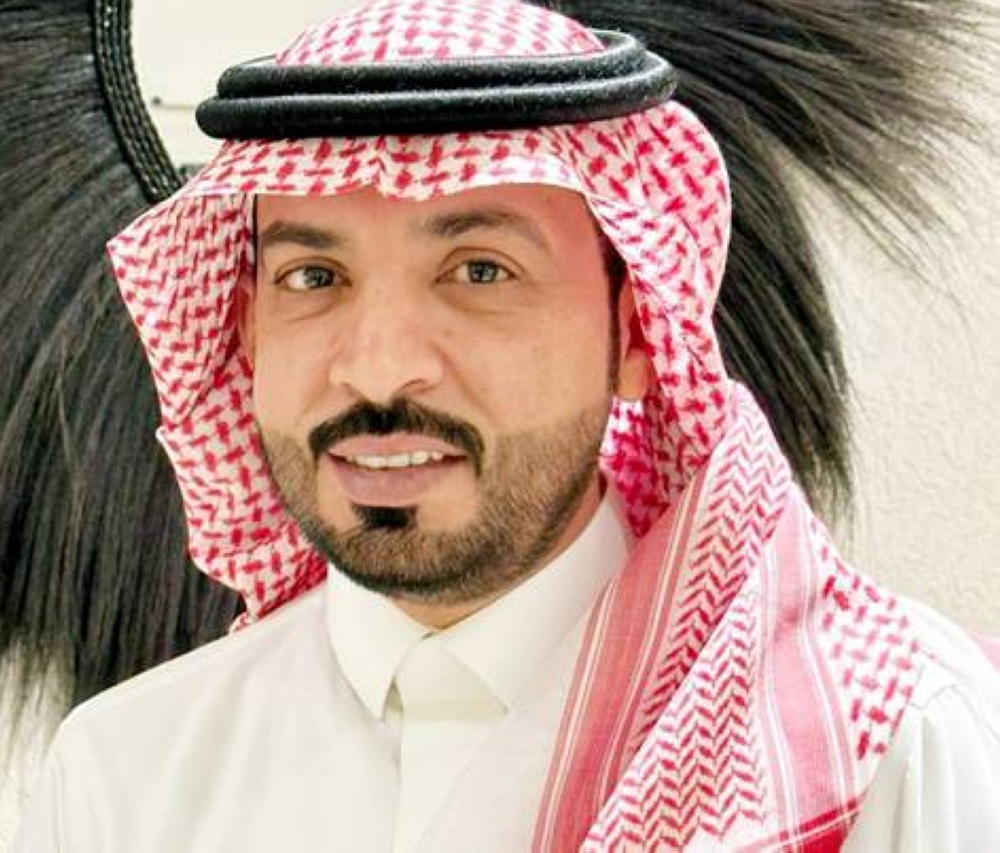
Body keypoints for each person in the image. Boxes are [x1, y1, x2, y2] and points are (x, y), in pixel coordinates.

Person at [12, 0, 1000, 850]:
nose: (378, 367)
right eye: (313, 277)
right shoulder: (127, 775)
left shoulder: (889, 739)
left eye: (479, 271)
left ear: (634, 330)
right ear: (249, 332)